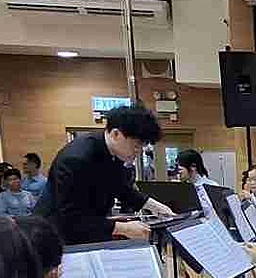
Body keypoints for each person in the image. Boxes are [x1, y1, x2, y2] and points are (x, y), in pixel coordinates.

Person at [35, 105, 171, 245]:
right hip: (55, 235)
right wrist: (123, 228)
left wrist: (155, 206)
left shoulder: (115, 153)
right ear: (116, 134)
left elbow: (121, 189)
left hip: (87, 229)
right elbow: (71, 217)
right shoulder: (76, 159)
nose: (139, 151)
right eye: (136, 145)